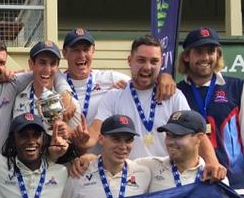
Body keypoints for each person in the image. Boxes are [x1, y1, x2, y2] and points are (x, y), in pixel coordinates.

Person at [74, 34, 226, 180]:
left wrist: (212, 161)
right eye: (141, 60)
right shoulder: (114, 96)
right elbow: (94, 133)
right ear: (130, 61)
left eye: (154, 61)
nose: (147, 67)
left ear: (161, 63)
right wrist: (82, 142)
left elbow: (197, 133)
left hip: (166, 178)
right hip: (129, 180)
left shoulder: (173, 95)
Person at [176, 27, 244, 198]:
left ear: (217, 55)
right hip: (190, 185)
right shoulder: (177, 92)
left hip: (234, 185)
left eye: (211, 52)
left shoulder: (237, 87)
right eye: (199, 52)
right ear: (186, 56)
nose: (205, 58)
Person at [0, 113, 69, 198]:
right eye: (24, 135)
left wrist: (84, 158)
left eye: (36, 135)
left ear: (43, 140)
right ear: (13, 140)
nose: (31, 141)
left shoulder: (61, 172)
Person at [12, 40, 82, 136]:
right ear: (31, 64)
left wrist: (70, 133)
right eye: (42, 63)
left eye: (52, 64)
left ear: (57, 67)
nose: (47, 69)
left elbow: (80, 145)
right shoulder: (18, 97)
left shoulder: (69, 103)